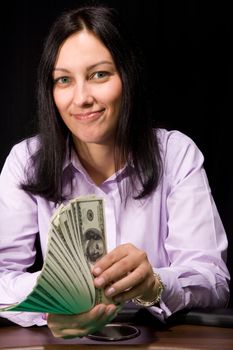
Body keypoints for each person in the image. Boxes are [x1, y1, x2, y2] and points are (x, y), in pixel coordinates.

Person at [0, 3, 230, 338]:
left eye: (99, 75)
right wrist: (53, 301)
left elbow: (214, 281)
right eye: (64, 80)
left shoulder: (176, 155)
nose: (82, 98)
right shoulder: (26, 161)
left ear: (128, 76)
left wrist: (156, 283)